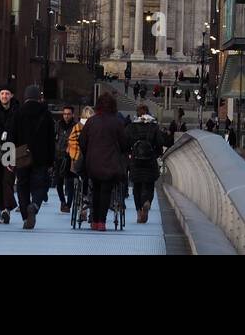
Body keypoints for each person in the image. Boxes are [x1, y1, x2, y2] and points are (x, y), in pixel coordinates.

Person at [79, 91, 129, 231]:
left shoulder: (91, 121)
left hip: (93, 163)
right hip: (111, 163)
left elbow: (82, 141)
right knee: (106, 191)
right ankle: (101, 221)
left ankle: (94, 221)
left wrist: (88, 154)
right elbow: (125, 143)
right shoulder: (117, 122)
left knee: (95, 189)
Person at [10, 84, 56, 229]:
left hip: (21, 154)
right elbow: (51, 139)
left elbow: (11, 136)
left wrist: (10, 158)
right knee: (41, 185)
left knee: (22, 185)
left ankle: (25, 216)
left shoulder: (17, 113)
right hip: (41, 156)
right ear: (39, 97)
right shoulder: (46, 114)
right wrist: (51, 160)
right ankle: (34, 205)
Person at [125, 103, 165, 224]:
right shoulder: (153, 126)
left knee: (136, 187)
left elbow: (125, 142)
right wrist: (156, 154)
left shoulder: (131, 127)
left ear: (137, 114)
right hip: (150, 160)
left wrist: (129, 153)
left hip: (136, 160)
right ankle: (147, 201)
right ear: (148, 113)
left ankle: (138, 212)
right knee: (149, 185)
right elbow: (159, 143)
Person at [0, 83, 18, 224]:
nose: (4, 96)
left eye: (7, 93)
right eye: (2, 94)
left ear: (11, 95)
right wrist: (0, 133)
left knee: (7, 179)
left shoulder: (18, 110)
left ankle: (6, 209)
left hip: (11, 148)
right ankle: (2, 210)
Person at [53, 104, 76, 212]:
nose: (66, 116)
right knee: (58, 182)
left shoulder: (75, 126)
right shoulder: (57, 125)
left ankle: (68, 204)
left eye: (68, 114)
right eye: (65, 114)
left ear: (72, 115)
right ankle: (62, 201)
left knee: (70, 182)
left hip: (70, 157)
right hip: (58, 156)